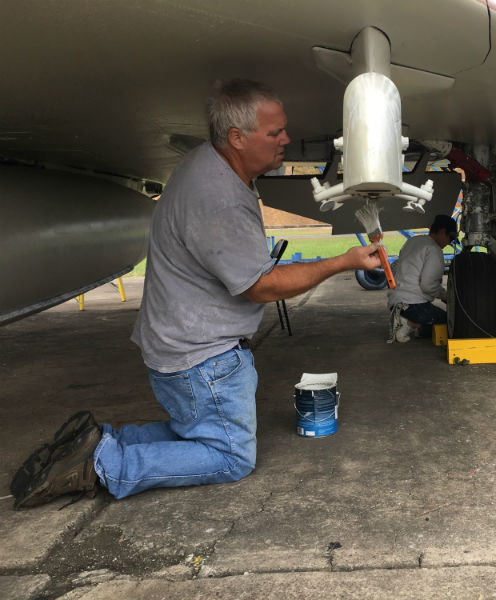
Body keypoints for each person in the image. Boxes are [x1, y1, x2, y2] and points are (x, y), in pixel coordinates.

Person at [12, 79, 381, 508]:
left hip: (179, 347)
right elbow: (259, 287)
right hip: (201, 358)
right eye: (274, 132)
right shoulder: (219, 196)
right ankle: (99, 466)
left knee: (200, 431)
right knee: (230, 456)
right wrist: (344, 261)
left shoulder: (207, 165)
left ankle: (100, 441)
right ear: (237, 138)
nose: (286, 140)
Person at [387, 215, 458, 343]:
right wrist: (447, 297)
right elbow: (428, 285)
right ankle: (410, 325)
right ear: (442, 232)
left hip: (395, 303)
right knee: (451, 324)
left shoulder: (413, 241)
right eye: (450, 238)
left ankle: (403, 320)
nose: (449, 243)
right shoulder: (434, 250)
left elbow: (396, 266)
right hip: (413, 306)